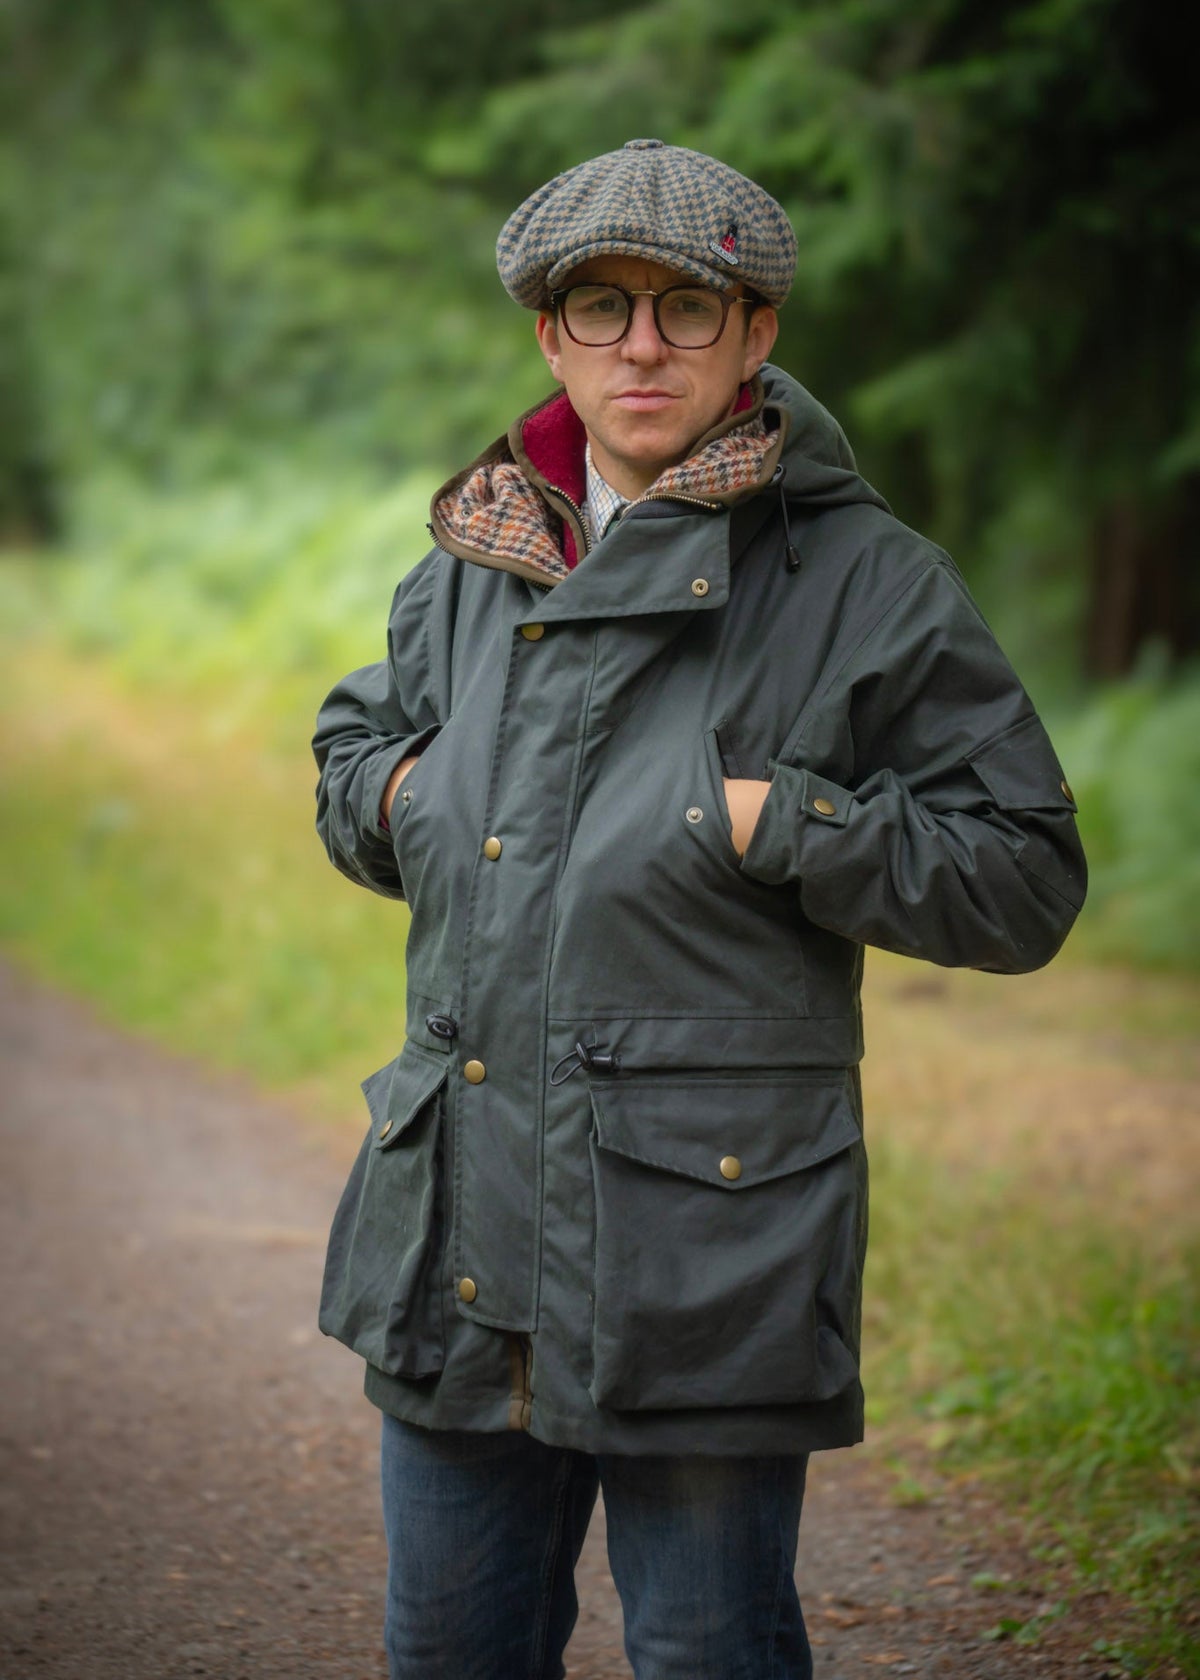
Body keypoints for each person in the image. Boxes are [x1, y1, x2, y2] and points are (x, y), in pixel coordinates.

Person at [312, 138, 1086, 1680]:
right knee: (447, 1654)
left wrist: (781, 821)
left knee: (708, 1657)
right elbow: (360, 744)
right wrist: (399, 800)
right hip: (462, 1224)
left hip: (701, 1256)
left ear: (757, 334)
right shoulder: (473, 554)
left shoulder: (870, 580)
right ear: (551, 334)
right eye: (602, 306)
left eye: (687, 304)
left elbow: (1024, 873)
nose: (643, 344)